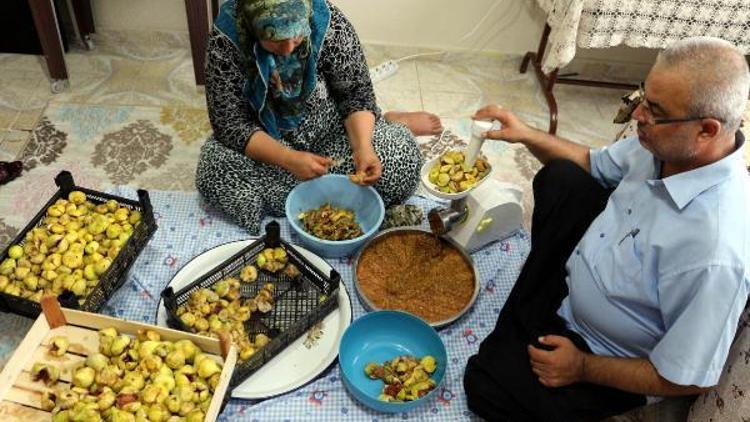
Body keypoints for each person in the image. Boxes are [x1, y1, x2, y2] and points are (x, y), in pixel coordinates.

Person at [463, 36, 750, 421]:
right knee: (562, 178)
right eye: (642, 98)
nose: (638, 117)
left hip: (601, 353)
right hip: (583, 276)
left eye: (656, 110)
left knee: (486, 387)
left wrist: (582, 367)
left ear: (707, 130)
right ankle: (541, 304)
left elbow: (687, 377)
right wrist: (525, 133)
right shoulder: (666, 147)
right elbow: (593, 163)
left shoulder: (715, 252)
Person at [196, 0, 442, 234]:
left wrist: (363, 147)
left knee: (398, 157)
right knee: (213, 171)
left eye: (297, 36)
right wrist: (288, 159)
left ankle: (383, 123)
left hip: (330, 130)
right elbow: (230, 125)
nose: (289, 49)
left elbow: (355, 95)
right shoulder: (226, 40)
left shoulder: (329, 24)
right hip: (269, 141)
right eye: (275, 41)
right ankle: (325, 191)